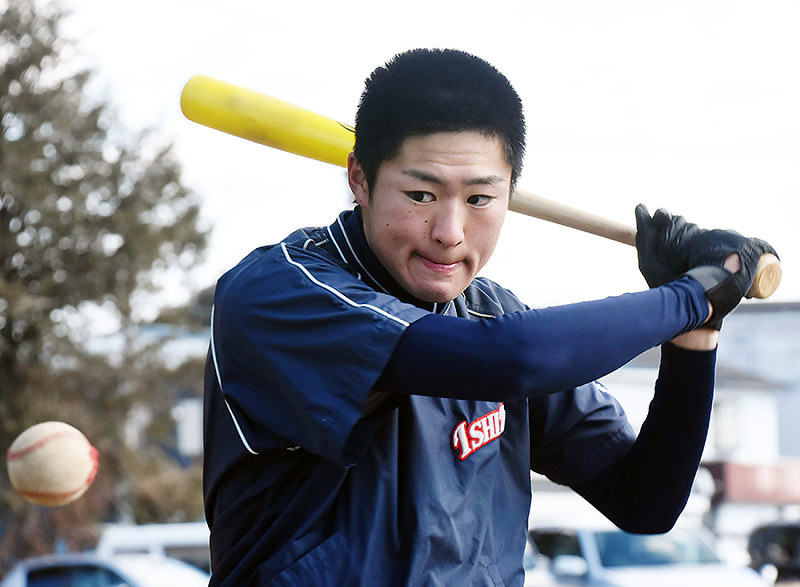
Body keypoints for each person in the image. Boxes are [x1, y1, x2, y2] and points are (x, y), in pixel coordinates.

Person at [202, 48, 777, 586]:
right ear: (359, 178)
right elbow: (511, 359)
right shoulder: (277, 293)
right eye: (422, 195)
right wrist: (690, 294)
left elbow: (645, 501)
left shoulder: (493, 312)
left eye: (479, 199)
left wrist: (696, 330)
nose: (450, 233)